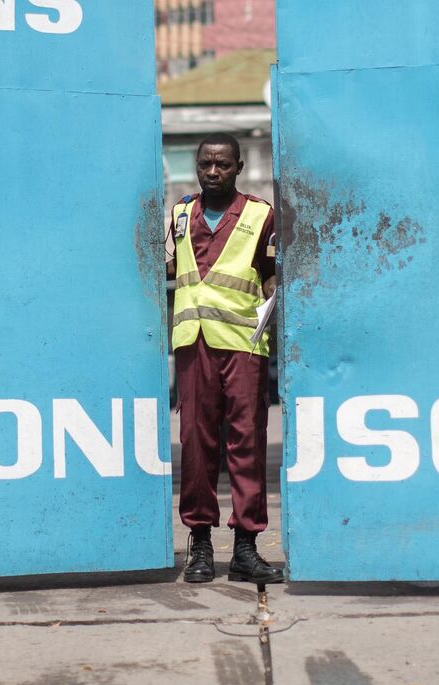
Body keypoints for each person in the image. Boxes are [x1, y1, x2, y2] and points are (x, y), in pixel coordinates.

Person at [168, 134, 285, 585]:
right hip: (193, 342)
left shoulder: (260, 214)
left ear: (238, 168)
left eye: (221, 165)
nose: (212, 172)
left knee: (247, 442)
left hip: (243, 344)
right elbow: (171, 266)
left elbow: (271, 273)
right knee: (197, 445)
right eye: (204, 164)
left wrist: (273, 295)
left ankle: (245, 549)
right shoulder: (180, 213)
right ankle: (199, 544)